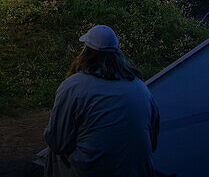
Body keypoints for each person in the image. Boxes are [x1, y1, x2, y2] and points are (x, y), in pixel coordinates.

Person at [43, 25, 160, 176]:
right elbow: (153, 142)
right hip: (138, 171)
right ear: (118, 53)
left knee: (53, 151)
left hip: (92, 171)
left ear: (85, 52)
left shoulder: (74, 85)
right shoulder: (140, 87)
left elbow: (57, 142)